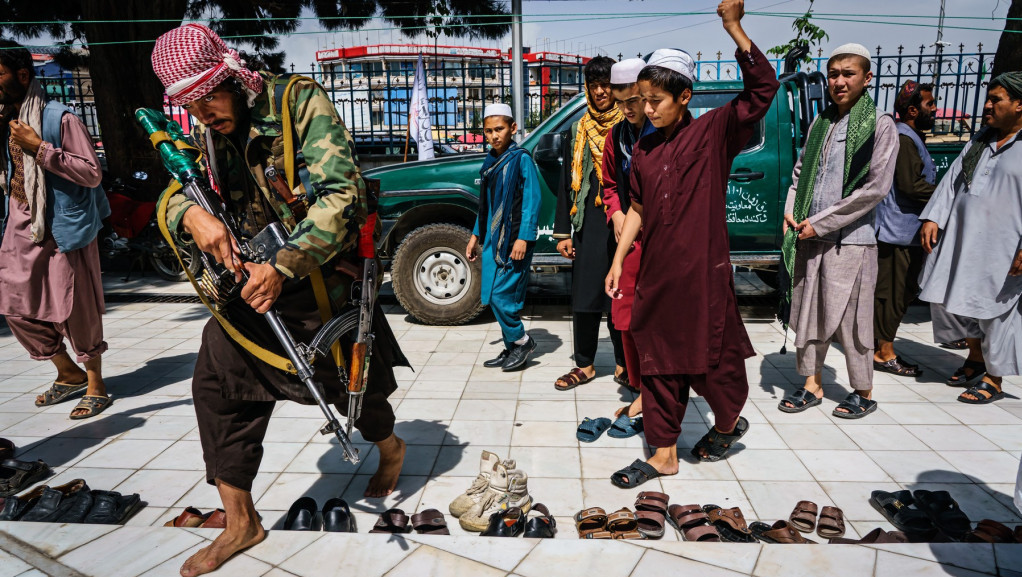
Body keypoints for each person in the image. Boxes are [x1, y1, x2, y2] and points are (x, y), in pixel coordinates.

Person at [151, 25, 408, 576]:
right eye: (189, 104)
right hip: (249, 283)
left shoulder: (297, 103)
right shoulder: (211, 130)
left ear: (230, 78)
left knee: (352, 393)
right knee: (217, 384)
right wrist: (188, 214)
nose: (202, 114)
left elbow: (342, 195)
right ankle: (241, 520)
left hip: (317, 277)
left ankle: (390, 449)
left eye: (208, 97)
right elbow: (178, 187)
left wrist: (283, 263)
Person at [604, 0, 778, 487]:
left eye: (656, 98)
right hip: (658, 275)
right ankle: (663, 453)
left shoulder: (714, 132)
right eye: (643, 99)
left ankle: (726, 424)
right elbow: (636, 208)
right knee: (656, 361)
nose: (648, 108)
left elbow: (764, 89)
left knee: (715, 366)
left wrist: (734, 27)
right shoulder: (643, 147)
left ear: (684, 96)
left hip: (703, 276)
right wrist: (618, 262)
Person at [778, 43, 899, 419]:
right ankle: (812, 384)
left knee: (853, 320)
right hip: (809, 236)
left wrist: (822, 222)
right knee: (809, 312)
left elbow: (875, 189)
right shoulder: (821, 123)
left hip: (852, 241)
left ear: (866, 78)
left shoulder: (880, 125)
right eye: (833, 74)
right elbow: (799, 175)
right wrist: (790, 213)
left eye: (848, 74)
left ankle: (863, 390)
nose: (839, 81)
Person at [0, 39, 112, 420]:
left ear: (21, 75)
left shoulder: (58, 118)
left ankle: (96, 382)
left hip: (63, 222)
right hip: (19, 218)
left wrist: (40, 149)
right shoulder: (3, 120)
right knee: (14, 305)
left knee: (74, 304)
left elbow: (91, 173)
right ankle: (67, 373)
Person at [917, 72, 1022, 405]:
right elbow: (952, 182)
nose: (987, 106)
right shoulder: (981, 140)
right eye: (988, 98)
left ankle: (994, 378)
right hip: (964, 238)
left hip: (1005, 244)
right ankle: (976, 357)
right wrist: (934, 215)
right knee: (953, 298)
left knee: (998, 310)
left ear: (1020, 105)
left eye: (996, 100)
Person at [552, 55, 628, 392]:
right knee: (584, 296)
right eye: (594, 85)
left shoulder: (629, 125)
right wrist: (563, 232)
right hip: (587, 222)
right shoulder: (577, 128)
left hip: (624, 221)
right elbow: (566, 181)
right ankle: (584, 364)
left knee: (621, 294)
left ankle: (625, 363)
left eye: (606, 84)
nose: (600, 91)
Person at [466, 103, 541, 372]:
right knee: (491, 295)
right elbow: (485, 205)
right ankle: (511, 347)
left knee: (501, 296)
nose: (494, 135)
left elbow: (533, 200)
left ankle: (522, 341)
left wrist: (524, 238)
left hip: (514, 242)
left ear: (513, 128)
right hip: (492, 240)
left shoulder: (521, 158)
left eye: (499, 129)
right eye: (488, 131)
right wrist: (475, 236)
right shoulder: (490, 162)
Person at [601, 58, 655, 419]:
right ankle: (638, 386)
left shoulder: (665, 132)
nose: (628, 109)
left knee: (655, 321)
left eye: (633, 101)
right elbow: (609, 185)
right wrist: (616, 212)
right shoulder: (616, 136)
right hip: (630, 243)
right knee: (624, 317)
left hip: (662, 243)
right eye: (621, 103)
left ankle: (656, 392)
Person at [872, 80, 936, 377]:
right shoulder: (905, 139)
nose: (934, 110)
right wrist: (944, 197)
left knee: (894, 292)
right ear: (913, 110)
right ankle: (884, 353)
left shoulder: (909, 136)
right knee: (894, 294)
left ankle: (877, 347)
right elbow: (911, 185)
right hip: (898, 233)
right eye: (929, 105)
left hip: (900, 231)